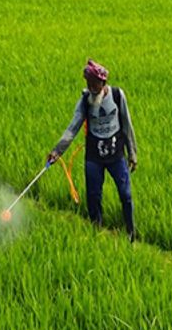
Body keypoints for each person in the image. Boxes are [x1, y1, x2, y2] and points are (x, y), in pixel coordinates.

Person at [47, 59, 138, 242]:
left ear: (103, 82)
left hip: (116, 154)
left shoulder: (117, 95)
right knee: (93, 196)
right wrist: (57, 151)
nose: (91, 87)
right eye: (89, 83)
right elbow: (72, 128)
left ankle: (131, 232)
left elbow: (127, 125)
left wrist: (132, 153)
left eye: (95, 83)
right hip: (94, 156)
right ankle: (96, 232)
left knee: (125, 194)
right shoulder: (85, 101)